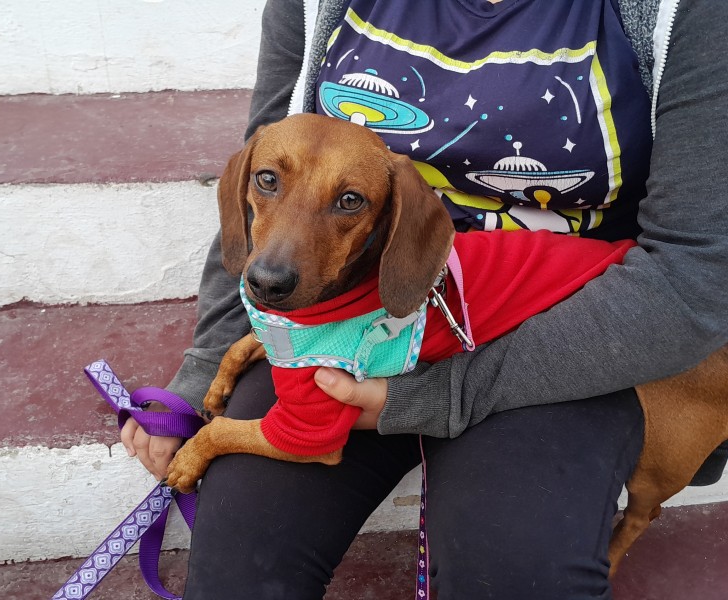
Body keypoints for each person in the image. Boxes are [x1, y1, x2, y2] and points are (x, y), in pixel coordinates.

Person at [120, 0, 728, 597]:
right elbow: (266, 203)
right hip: (346, 319)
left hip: (561, 334)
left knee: (517, 575)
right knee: (241, 564)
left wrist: (439, 397)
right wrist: (203, 373)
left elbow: (696, 275)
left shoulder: (684, 12)